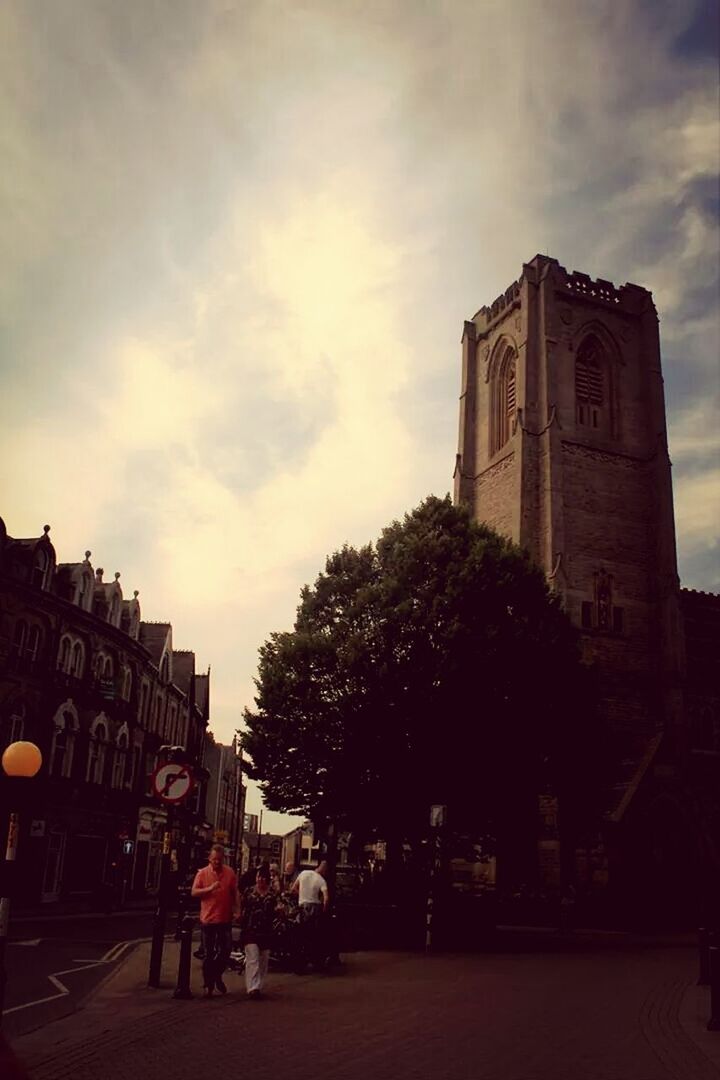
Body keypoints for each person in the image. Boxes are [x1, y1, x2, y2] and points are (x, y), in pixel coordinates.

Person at [191, 844, 239, 998]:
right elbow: (194, 892)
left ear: (223, 858)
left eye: (219, 860)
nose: (217, 862)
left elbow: (235, 893)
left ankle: (216, 975)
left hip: (224, 919)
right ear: (209, 859)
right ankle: (208, 985)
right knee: (208, 954)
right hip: (208, 920)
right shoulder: (202, 873)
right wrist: (209, 889)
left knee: (225, 952)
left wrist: (238, 909)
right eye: (214, 860)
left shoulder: (230, 873)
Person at [239, 863, 281, 999]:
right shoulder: (249, 892)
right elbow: (241, 906)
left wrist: (280, 911)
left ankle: (259, 985)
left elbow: (279, 909)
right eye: (258, 877)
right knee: (253, 958)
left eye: (263, 878)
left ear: (267, 879)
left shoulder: (272, 894)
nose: (260, 880)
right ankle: (253, 988)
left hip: (266, 931)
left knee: (263, 959)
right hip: (250, 929)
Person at [291, 859, 329, 971]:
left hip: (302, 907)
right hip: (314, 908)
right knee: (313, 936)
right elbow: (326, 899)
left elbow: (293, 889)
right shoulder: (321, 880)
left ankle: (299, 962)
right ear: (324, 870)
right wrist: (324, 909)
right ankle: (314, 960)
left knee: (300, 935)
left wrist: (302, 895)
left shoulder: (303, 873)